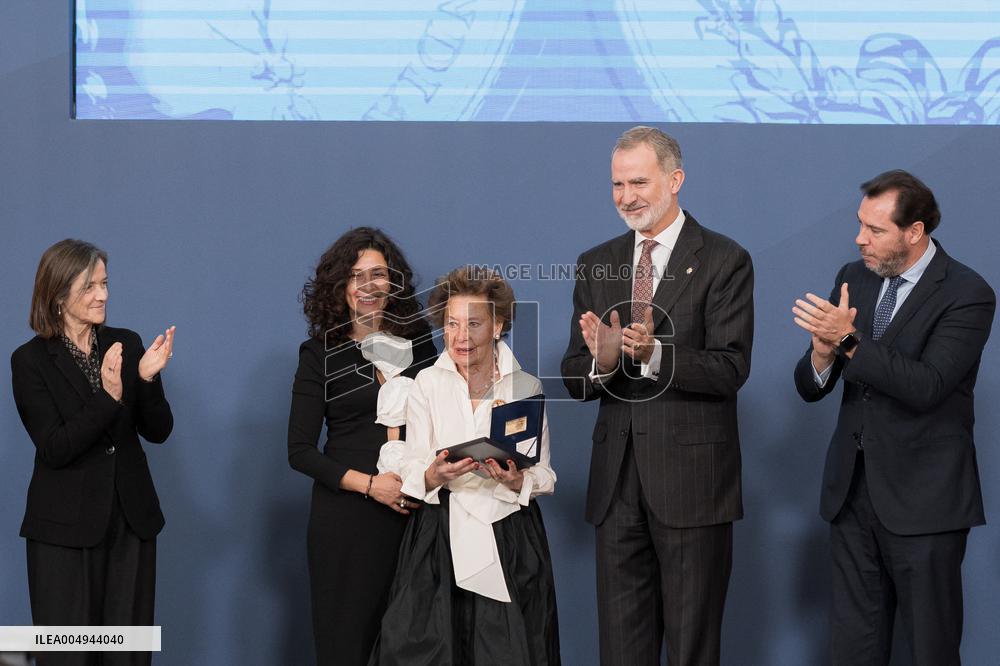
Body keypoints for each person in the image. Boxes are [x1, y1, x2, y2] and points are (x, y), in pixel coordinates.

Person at [561, 126, 753, 666]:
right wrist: (601, 364)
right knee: (620, 649)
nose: (627, 197)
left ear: (675, 179)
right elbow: (575, 378)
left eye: (639, 182)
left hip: (692, 487)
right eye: (618, 184)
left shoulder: (723, 259)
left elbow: (731, 368)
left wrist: (653, 355)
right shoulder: (595, 261)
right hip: (616, 485)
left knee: (691, 647)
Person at [791, 170, 995, 665]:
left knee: (930, 649)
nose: (860, 239)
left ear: (915, 232)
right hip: (852, 497)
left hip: (926, 504)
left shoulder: (968, 293)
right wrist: (821, 356)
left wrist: (848, 342)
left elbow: (926, 386)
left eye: (875, 230)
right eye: (860, 224)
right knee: (854, 650)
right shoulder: (853, 277)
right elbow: (813, 386)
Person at [369, 266, 560, 666]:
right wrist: (432, 475)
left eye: (473, 323)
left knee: (507, 651)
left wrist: (517, 479)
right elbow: (414, 460)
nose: (460, 336)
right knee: (429, 649)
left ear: (498, 325)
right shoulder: (426, 383)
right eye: (451, 324)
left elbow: (545, 473)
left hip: (508, 535)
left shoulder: (525, 386)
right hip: (439, 535)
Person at [10, 239, 175, 666]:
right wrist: (109, 396)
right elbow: (55, 448)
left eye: (105, 283)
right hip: (63, 534)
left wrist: (148, 381)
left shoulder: (126, 342)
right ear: (58, 293)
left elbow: (158, 431)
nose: (102, 294)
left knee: (128, 657)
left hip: (130, 524)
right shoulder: (29, 362)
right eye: (89, 286)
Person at [287, 227, 437, 666]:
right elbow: (299, 451)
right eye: (356, 276)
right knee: (347, 648)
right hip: (348, 522)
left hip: (416, 517)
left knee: (415, 647)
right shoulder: (319, 354)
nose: (368, 286)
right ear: (341, 287)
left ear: (393, 284)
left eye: (378, 274)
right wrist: (372, 487)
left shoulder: (422, 344)